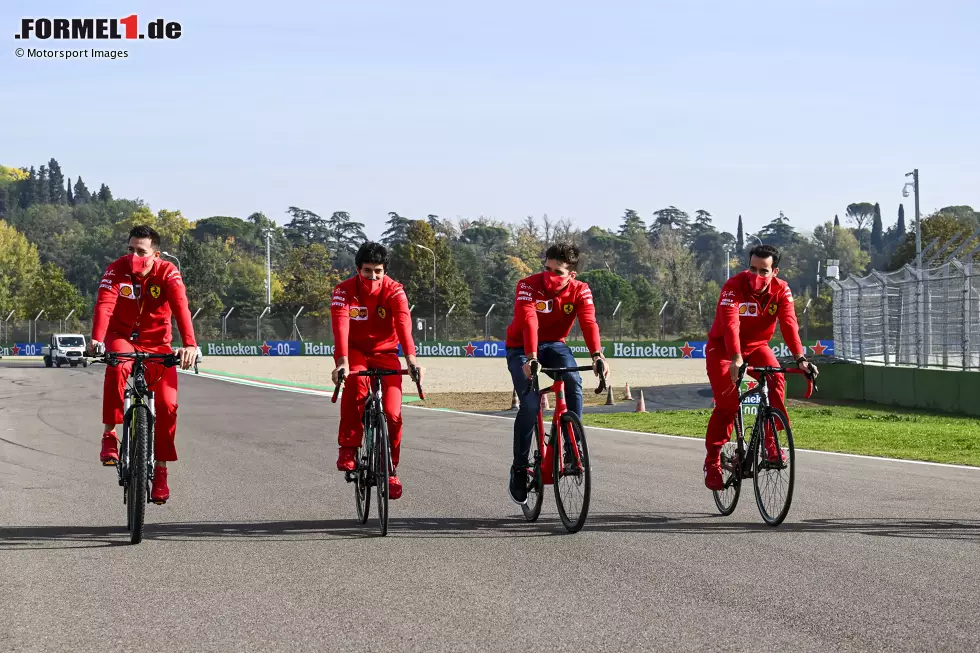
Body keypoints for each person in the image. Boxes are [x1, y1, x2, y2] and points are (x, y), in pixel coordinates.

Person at [88, 225, 198, 504]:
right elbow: (105, 304)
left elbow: (181, 307)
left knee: (168, 405)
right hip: (121, 336)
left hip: (157, 342)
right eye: (130, 249)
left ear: (155, 254)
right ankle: (110, 435)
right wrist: (97, 339)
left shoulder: (168, 272)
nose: (134, 255)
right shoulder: (116, 269)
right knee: (116, 367)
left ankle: (160, 472)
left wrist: (190, 344)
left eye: (141, 251)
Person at [703, 244, 817, 491]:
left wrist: (800, 358)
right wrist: (735, 358)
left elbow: (789, 324)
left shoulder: (782, 290)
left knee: (776, 380)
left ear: (774, 271)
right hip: (723, 349)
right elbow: (731, 324)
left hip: (756, 347)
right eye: (752, 268)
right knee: (728, 404)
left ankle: (771, 443)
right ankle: (712, 461)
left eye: (763, 271)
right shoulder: (733, 287)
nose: (757, 275)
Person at [504, 243, 609, 505]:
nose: (550, 276)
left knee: (573, 380)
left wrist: (597, 355)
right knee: (530, 403)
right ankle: (519, 467)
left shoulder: (581, 290)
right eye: (547, 268)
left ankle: (572, 447)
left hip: (554, 344)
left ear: (571, 274)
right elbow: (529, 319)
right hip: (521, 347)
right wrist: (530, 357)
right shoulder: (527, 284)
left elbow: (588, 322)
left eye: (558, 272)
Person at [330, 242, 423, 500]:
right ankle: (348, 448)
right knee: (356, 385)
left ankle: (391, 470)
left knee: (393, 413)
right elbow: (340, 325)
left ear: (385, 271)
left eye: (378, 271)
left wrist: (412, 360)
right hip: (354, 351)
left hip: (386, 353)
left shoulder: (395, 291)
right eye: (368, 270)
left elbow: (404, 323)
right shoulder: (344, 290)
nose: (373, 276)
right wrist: (342, 362)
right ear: (357, 269)